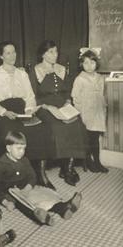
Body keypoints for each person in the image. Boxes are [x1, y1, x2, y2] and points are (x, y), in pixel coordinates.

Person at [0, 41, 54, 189]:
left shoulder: (22, 74)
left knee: (42, 129)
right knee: (10, 134)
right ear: (1, 56)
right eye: (8, 53)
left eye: (14, 52)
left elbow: (29, 96)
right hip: (4, 112)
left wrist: (29, 110)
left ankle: (40, 173)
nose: (12, 56)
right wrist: (4, 112)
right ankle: (11, 174)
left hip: (22, 110)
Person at [30, 40, 90, 186]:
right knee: (57, 126)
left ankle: (67, 167)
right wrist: (48, 107)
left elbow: (67, 91)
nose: (55, 54)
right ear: (43, 54)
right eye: (51, 52)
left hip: (62, 105)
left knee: (77, 123)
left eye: (56, 51)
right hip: (44, 107)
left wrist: (68, 103)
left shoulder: (61, 69)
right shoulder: (36, 70)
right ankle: (63, 164)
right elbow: (33, 95)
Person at [0, 131, 82, 226]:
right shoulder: (0, 165)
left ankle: (63, 208)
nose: (22, 152)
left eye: (24, 149)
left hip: (24, 187)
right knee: (24, 204)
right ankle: (40, 216)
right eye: (19, 148)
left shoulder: (24, 160)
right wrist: (5, 202)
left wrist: (28, 187)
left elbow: (32, 176)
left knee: (44, 196)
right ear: (8, 148)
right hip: (9, 192)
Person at [71, 47, 109, 173]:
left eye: (92, 62)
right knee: (87, 139)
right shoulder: (79, 79)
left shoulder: (100, 78)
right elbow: (75, 98)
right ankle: (88, 161)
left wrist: (104, 107)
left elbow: (103, 94)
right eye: (86, 63)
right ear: (82, 64)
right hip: (86, 113)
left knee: (95, 139)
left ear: (96, 63)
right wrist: (79, 113)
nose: (89, 66)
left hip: (98, 112)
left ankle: (97, 162)